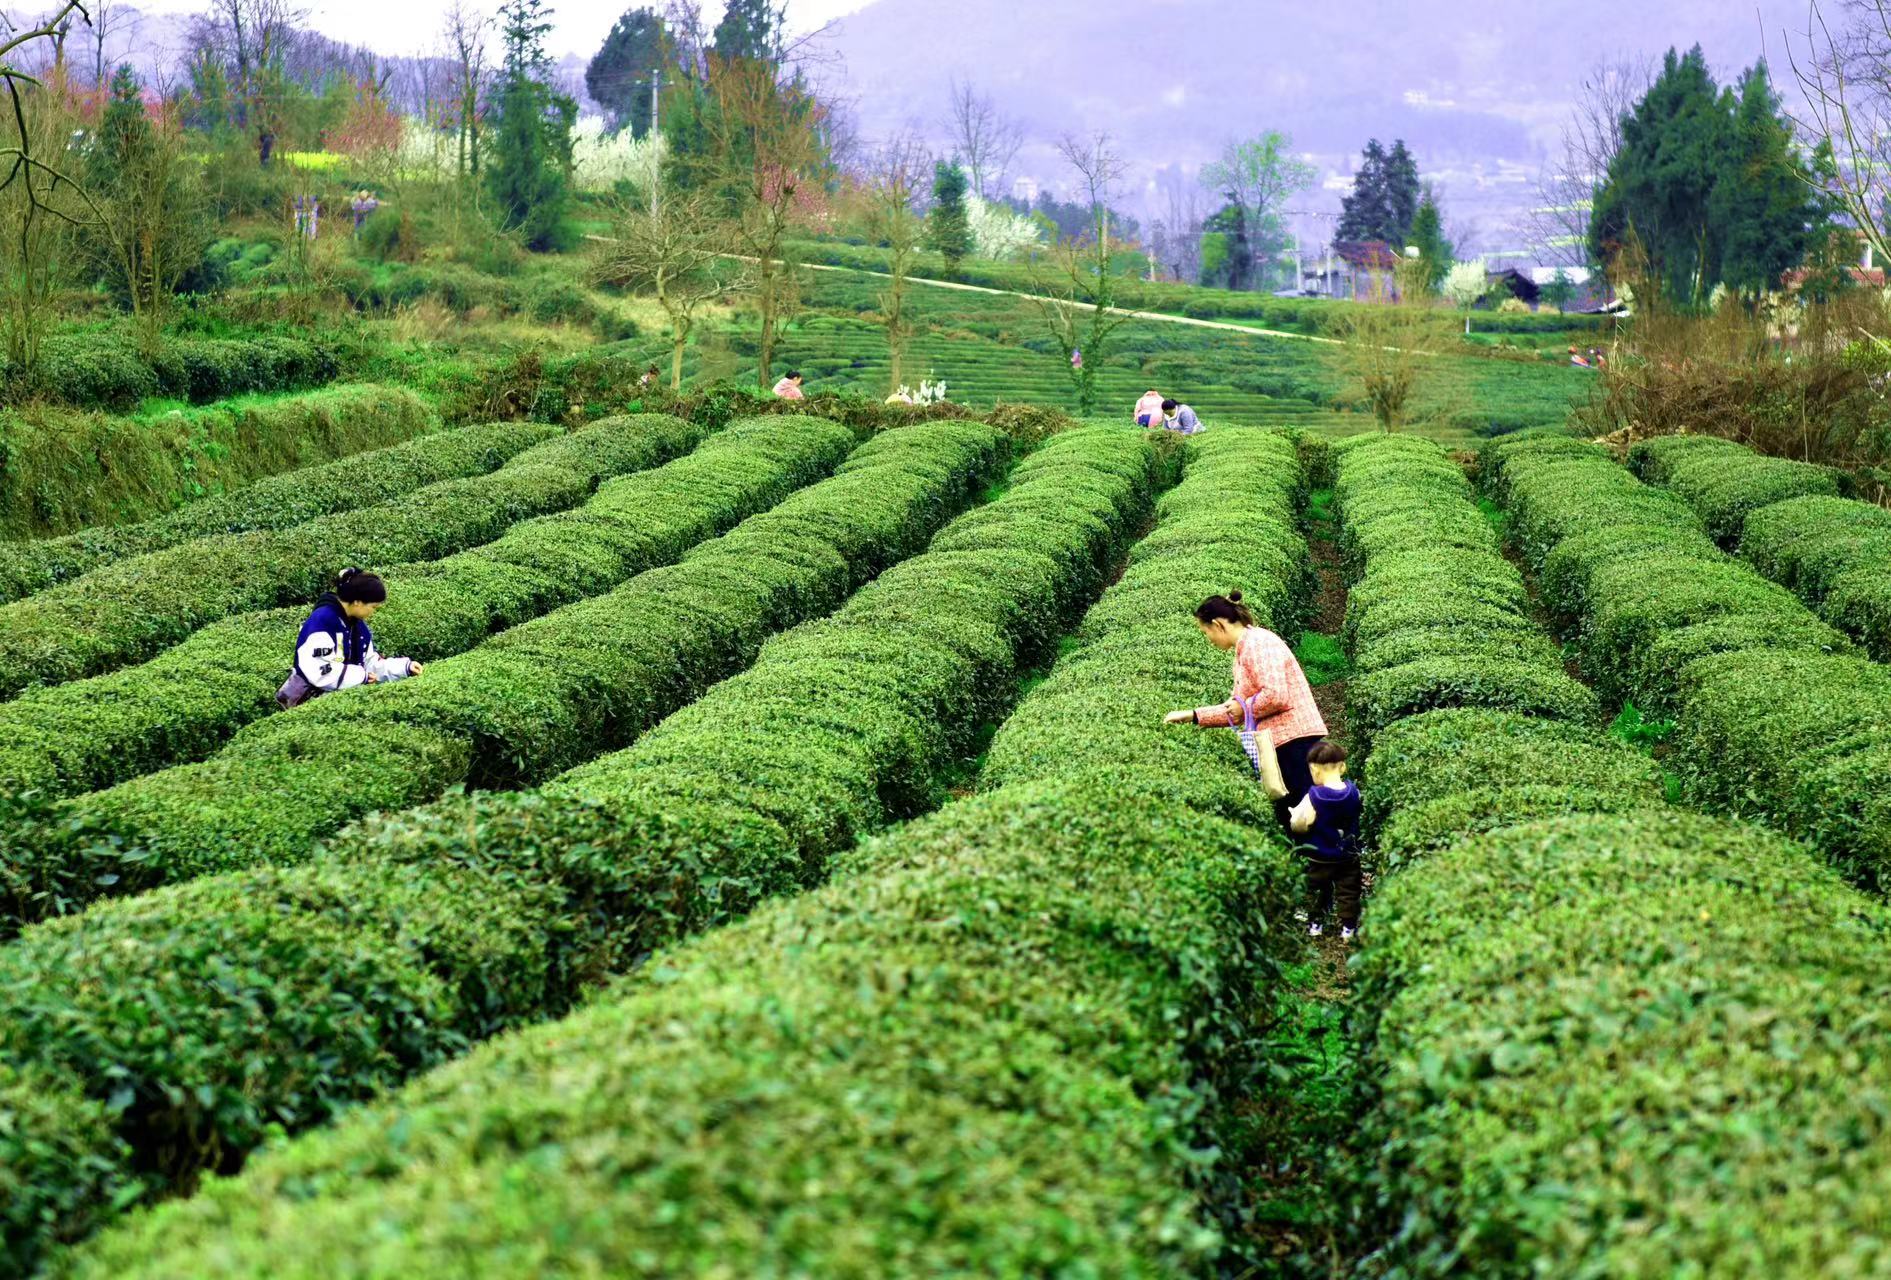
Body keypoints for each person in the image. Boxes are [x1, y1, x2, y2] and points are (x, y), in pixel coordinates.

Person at [1164, 590, 1327, 829]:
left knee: (1307, 815)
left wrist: (1243, 708)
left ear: (1218, 624)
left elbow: (1275, 695)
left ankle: (1332, 864)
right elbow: (1236, 707)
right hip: (1282, 742)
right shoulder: (1244, 649)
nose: (1208, 638)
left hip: (1295, 740)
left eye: (1205, 631)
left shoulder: (1258, 644)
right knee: (1294, 815)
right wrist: (1194, 715)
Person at [277, 568, 422, 709]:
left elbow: (369, 663)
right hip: (306, 704)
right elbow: (320, 672)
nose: (373, 612)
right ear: (358, 602)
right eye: (373, 607)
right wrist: (361, 677)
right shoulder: (322, 621)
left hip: (339, 701)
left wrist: (405, 668)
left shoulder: (357, 626)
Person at [1289, 741, 1363, 939]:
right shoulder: (1354, 792)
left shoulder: (1313, 796)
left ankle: (1316, 924)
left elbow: (1300, 823)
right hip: (1348, 854)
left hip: (1319, 855)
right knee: (1348, 890)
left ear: (1314, 770)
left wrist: (1294, 818)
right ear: (1343, 767)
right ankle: (1348, 927)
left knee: (1317, 888)